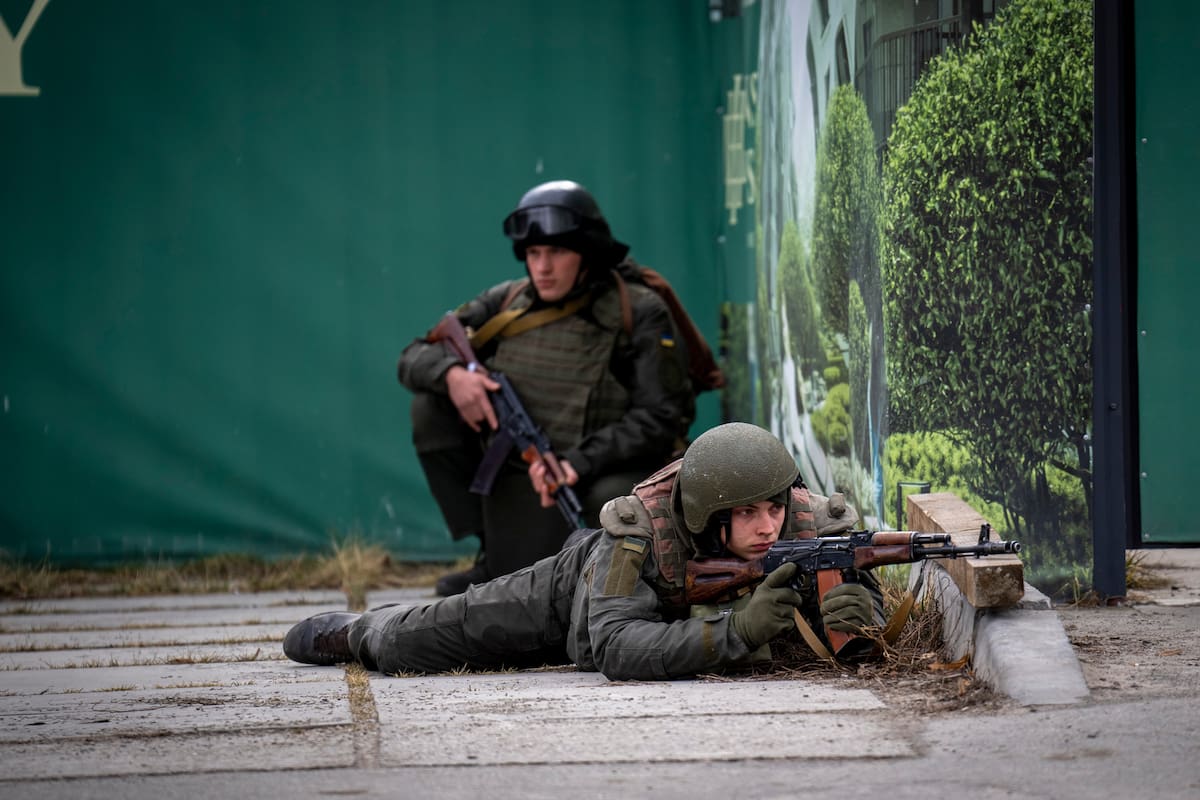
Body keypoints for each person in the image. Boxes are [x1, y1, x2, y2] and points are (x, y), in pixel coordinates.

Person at [283, 422, 884, 681]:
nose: (766, 526)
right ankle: (356, 630)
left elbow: (864, 602)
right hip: (572, 594)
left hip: (651, 619)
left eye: (773, 508)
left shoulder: (817, 526)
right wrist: (740, 631)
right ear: (706, 516)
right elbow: (614, 646)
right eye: (746, 514)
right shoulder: (638, 532)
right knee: (415, 643)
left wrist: (860, 615)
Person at [396, 179, 697, 596]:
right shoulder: (508, 301)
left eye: (557, 252)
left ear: (587, 253)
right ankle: (490, 554)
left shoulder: (638, 310)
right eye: (534, 253)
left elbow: (661, 418)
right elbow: (413, 355)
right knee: (431, 408)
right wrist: (453, 375)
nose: (543, 267)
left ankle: (614, 581)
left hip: (597, 469)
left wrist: (580, 461)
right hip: (524, 465)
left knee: (610, 503)